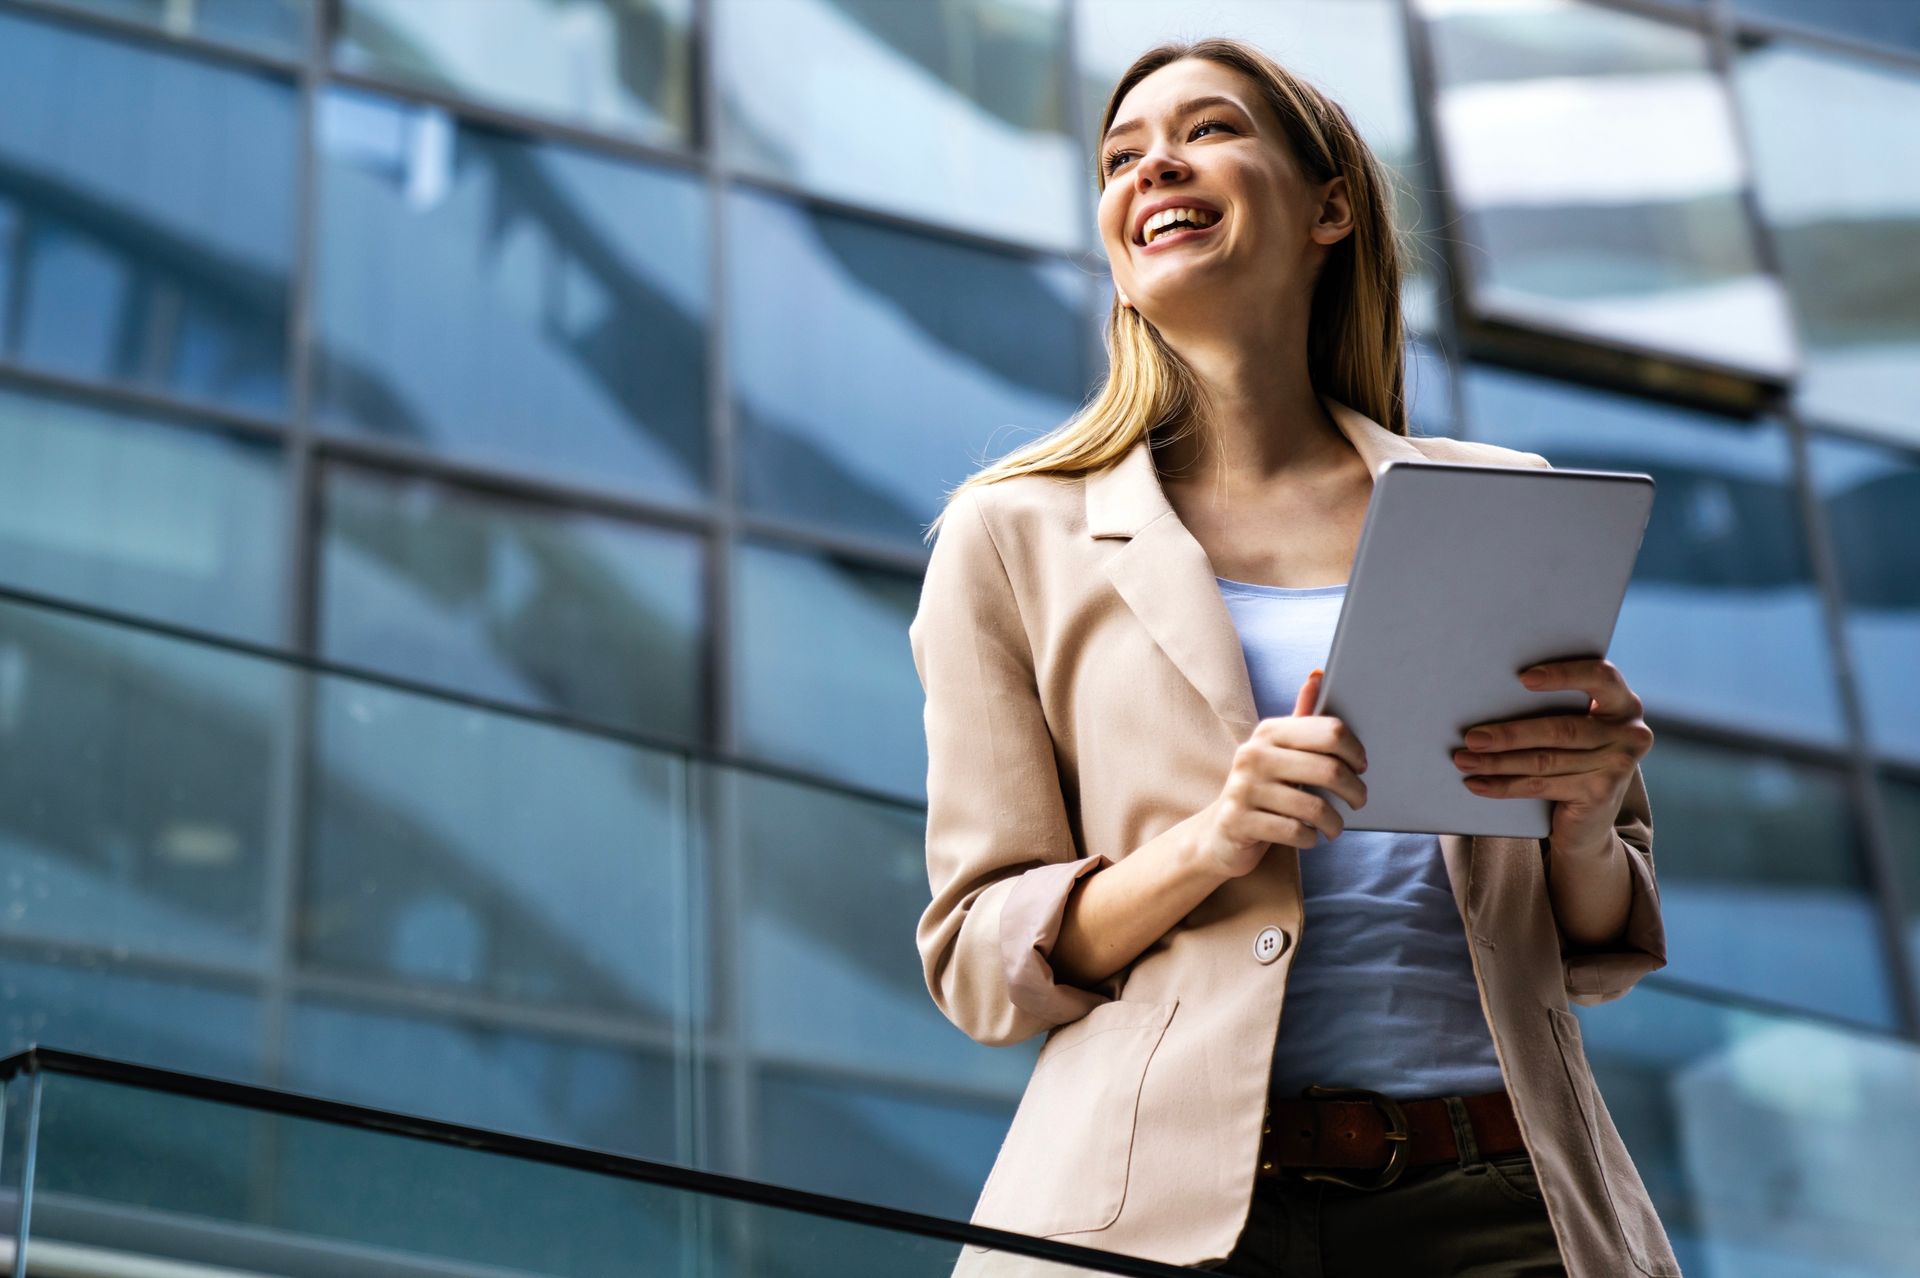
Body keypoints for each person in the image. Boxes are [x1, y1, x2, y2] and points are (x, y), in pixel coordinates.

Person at [910, 35, 1683, 1278]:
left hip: (1505, 1203)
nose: (1154, 163)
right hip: (1152, 1212)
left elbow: (1596, 942)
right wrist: (1216, 842)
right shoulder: (1012, 534)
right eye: (1121, 155)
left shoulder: (1501, 504)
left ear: (1331, 206)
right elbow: (978, 961)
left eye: (1208, 130)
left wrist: (1586, 818)